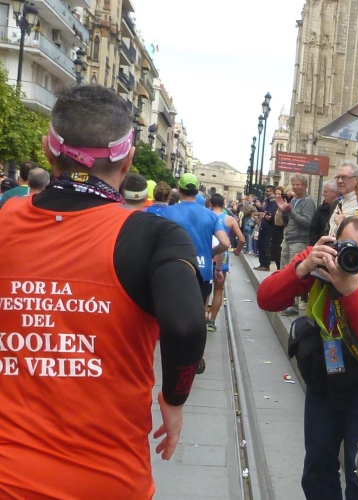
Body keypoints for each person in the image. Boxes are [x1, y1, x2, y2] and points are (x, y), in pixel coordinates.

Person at [0, 85, 206, 497]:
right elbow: (185, 325)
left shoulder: (5, 220)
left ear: (47, 149)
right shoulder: (154, 236)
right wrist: (174, 398)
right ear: (127, 159)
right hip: (107, 478)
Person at [257, 216, 358, 500]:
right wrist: (303, 268)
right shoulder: (319, 258)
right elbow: (266, 299)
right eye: (346, 247)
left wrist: (351, 292)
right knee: (317, 465)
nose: (351, 257)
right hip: (326, 372)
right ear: (333, 240)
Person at [163, 173, 230, 372]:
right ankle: (197, 356)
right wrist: (212, 253)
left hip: (175, 268)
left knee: (173, 311)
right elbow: (225, 243)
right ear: (197, 191)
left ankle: (173, 353)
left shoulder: (168, 212)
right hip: (203, 270)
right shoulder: (210, 215)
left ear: (179, 189)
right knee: (200, 313)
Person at [278, 174, 317, 316]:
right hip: (289, 239)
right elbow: (289, 221)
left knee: (294, 273)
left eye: (298, 184)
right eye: (293, 184)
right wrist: (284, 211)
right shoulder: (294, 200)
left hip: (299, 241)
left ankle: (293, 305)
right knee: (284, 271)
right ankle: (285, 301)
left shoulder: (308, 202)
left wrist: (291, 212)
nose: (295, 187)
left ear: (305, 186)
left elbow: (307, 223)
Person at [207, 194, 245, 332]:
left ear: (210, 204)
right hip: (222, 257)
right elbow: (242, 239)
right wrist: (237, 250)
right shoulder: (229, 219)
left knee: (204, 289)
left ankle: (203, 315)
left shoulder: (205, 216)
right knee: (218, 290)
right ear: (224, 204)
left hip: (206, 255)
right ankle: (212, 322)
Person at [328, 161, 358, 236]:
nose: (339, 181)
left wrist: (342, 224)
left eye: (344, 177)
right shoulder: (337, 202)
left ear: (357, 179)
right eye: (338, 177)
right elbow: (329, 228)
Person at [254, 185, 277, 271]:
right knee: (260, 245)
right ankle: (262, 263)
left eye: (268, 191)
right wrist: (258, 207)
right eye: (266, 191)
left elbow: (268, 214)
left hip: (268, 227)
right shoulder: (266, 201)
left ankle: (265, 264)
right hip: (262, 225)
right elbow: (262, 212)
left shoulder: (273, 202)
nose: (266, 192)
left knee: (264, 246)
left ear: (272, 192)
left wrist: (260, 207)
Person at [308, 179, 337, 245]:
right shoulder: (321, 209)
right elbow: (313, 229)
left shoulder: (340, 209)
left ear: (334, 193)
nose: (323, 194)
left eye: (325, 192)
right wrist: (315, 245)